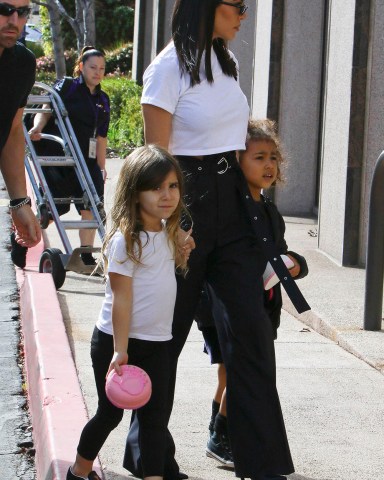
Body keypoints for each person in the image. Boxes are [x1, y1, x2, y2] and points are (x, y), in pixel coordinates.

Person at [124, 2, 302, 480]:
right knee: (168, 335)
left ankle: (262, 463)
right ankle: (152, 460)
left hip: (234, 205)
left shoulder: (227, 63)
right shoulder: (166, 69)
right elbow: (155, 158)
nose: (244, 14)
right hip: (187, 205)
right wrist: (171, 225)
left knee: (252, 333)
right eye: (236, 6)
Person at [66, 144, 191, 480]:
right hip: (115, 342)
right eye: (156, 188)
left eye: (173, 186)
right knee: (110, 415)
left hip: (157, 342)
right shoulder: (126, 241)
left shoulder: (168, 233)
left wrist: (183, 245)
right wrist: (121, 350)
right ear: (135, 193)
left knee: (154, 421)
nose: (167, 195)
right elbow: (122, 298)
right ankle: (78, 472)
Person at [199, 119, 308, 470]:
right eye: (259, 157)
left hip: (261, 307)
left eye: (274, 158)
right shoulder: (227, 207)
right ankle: (220, 434)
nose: (269, 165)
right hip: (226, 306)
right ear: (237, 160)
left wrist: (296, 263)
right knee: (234, 370)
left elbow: (281, 252)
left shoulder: (269, 211)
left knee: (232, 372)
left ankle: (219, 432)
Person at [11, 46, 110, 269]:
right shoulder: (67, 87)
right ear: (81, 67)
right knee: (55, 209)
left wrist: (101, 167)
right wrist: (36, 128)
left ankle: (85, 255)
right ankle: (21, 241)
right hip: (60, 156)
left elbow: (101, 136)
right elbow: (46, 108)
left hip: (87, 159)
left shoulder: (103, 99)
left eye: (102, 68)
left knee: (92, 206)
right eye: (93, 67)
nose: (97, 72)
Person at [0, 0, 41, 250]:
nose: (14, 21)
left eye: (22, 12)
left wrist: (19, 202)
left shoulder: (22, 64)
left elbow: (13, 129)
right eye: (4, 10)